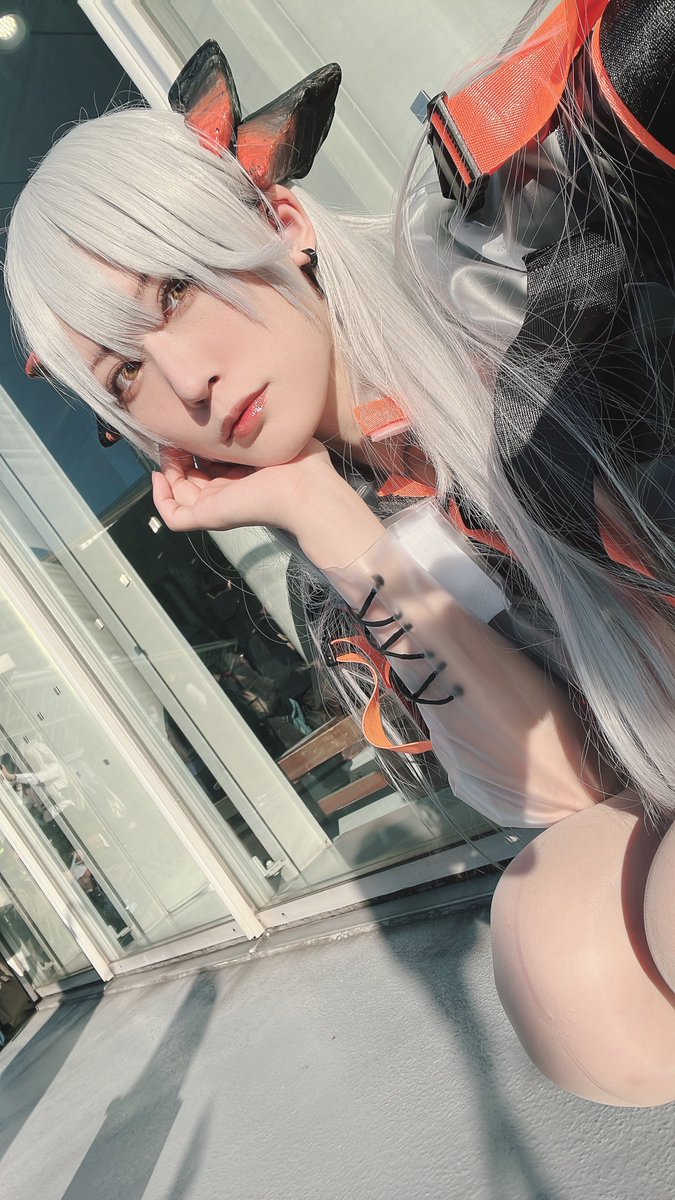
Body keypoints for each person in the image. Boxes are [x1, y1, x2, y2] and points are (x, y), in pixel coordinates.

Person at [5, 0, 675, 1105]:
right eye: (125, 376)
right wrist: (326, 517)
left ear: (280, 221)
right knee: (566, 954)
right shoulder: (338, 577)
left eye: (174, 290)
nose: (186, 380)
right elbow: (565, 797)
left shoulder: (495, 253)